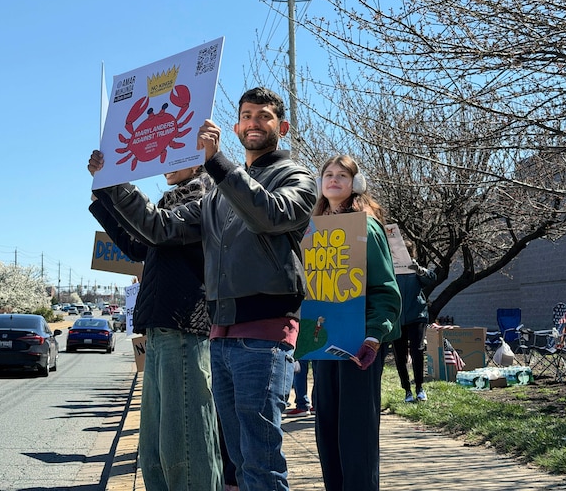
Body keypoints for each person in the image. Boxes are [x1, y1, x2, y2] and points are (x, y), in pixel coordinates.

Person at [90, 86, 317, 491]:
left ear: (281, 127)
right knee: (238, 463)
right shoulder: (218, 196)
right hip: (221, 336)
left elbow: (270, 214)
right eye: (246, 116)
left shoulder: (295, 177)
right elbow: (158, 228)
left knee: (261, 462)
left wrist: (217, 164)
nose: (253, 123)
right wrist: (114, 182)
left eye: (263, 116)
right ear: (237, 126)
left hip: (264, 335)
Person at [87, 164, 225, 491]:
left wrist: (114, 184)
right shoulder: (171, 203)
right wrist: (103, 198)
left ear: (196, 159)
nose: (164, 164)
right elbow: (137, 245)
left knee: (185, 444)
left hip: (184, 329)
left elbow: (158, 228)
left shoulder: (206, 197)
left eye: (173, 156)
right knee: (154, 450)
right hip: (161, 330)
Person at [311, 155, 401, 491]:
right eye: (328, 174)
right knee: (327, 431)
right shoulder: (313, 230)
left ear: (356, 183)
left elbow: (385, 290)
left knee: (356, 435)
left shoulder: (367, 227)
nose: (334, 179)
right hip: (323, 344)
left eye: (342, 175)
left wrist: (374, 336)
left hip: (359, 343)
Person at [392, 240, 437, 403]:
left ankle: (419, 388)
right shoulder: (391, 268)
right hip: (397, 317)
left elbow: (432, 279)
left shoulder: (414, 268)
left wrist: (420, 271)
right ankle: (407, 390)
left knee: (417, 350)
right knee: (400, 354)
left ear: (411, 253)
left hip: (417, 315)